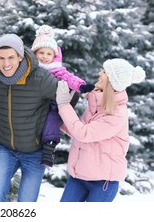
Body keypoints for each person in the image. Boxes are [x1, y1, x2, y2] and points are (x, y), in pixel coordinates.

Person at [0, 25, 94, 168]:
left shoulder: (57, 70)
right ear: (35, 52)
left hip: (49, 103)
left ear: (54, 56)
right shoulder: (27, 67)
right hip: (28, 102)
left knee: (51, 120)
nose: (45, 57)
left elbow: (70, 79)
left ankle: (49, 149)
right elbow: (4, 65)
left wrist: (81, 86)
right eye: (41, 52)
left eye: (49, 54)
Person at [0, 32, 59, 202]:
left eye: (11, 57)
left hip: (35, 152)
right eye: (1, 58)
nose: (6, 64)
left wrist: (51, 122)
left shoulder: (41, 79)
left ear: (20, 56)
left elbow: (67, 99)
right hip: (5, 149)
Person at [56, 58, 146, 202]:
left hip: (103, 182)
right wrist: (57, 120)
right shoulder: (97, 104)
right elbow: (79, 129)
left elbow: (83, 133)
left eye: (104, 72)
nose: (99, 73)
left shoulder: (116, 113)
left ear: (111, 80)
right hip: (79, 176)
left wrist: (63, 105)